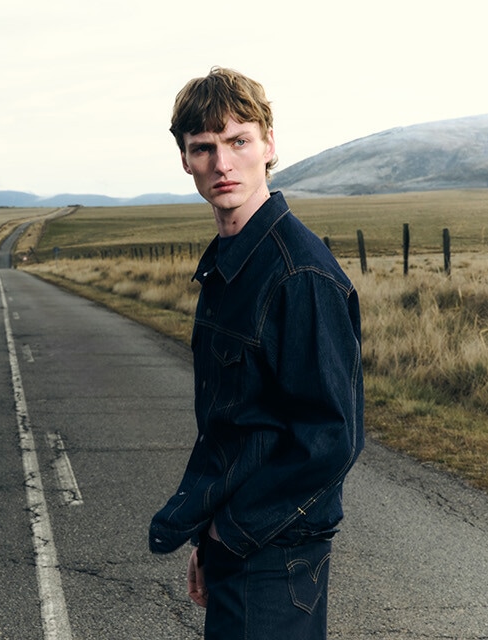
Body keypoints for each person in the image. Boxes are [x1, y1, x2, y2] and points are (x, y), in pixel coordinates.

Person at [146, 67, 363, 639]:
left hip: (274, 555)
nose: (222, 163)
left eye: (238, 141)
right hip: (240, 548)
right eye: (204, 147)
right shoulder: (231, 263)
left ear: (268, 146)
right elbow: (236, 431)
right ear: (186, 160)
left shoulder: (298, 272)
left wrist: (230, 535)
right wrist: (208, 540)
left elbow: (331, 437)